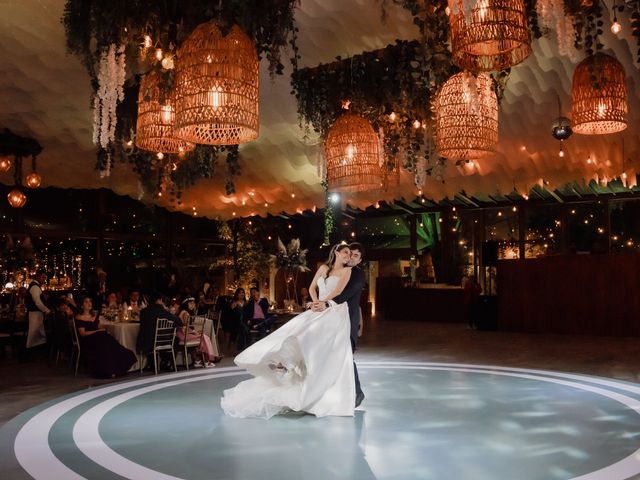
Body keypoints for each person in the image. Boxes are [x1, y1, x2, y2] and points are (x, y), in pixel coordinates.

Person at [221, 243, 355, 419]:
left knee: (316, 346)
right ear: (336, 252)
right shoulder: (323, 267)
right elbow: (313, 287)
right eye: (345, 252)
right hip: (318, 308)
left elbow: (338, 291)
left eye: (350, 253)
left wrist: (324, 303)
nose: (348, 255)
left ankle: (313, 388)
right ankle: (285, 364)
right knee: (295, 333)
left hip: (333, 311)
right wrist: (316, 302)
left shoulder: (347, 271)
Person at [312, 242, 366, 407]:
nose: (352, 257)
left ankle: (357, 393)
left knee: (347, 355)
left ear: (360, 259)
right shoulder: (338, 270)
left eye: (356, 255)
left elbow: (349, 295)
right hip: (330, 317)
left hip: (347, 319)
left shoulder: (357, 274)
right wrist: (317, 303)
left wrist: (325, 304)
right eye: (351, 253)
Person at [74, 297, 136, 378]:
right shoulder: (79, 317)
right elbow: (83, 333)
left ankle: (117, 366)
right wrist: (98, 332)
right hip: (88, 340)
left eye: (90, 301)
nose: (89, 303)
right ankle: (107, 370)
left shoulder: (94, 316)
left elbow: (99, 328)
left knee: (107, 338)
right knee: (103, 340)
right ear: (82, 305)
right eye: (86, 302)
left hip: (97, 338)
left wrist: (103, 331)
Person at [137, 292, 182, 370]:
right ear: (160, 300)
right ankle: (166, 362)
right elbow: (179, 321)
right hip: (158, 342)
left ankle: (152, 363)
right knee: (175, 340)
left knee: (153, 334)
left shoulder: (143, 312)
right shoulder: (162, 311)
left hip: (143, 342)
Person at [177, 297, 216, 368]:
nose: (193, 305)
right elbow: (185, 327)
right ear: (186, 304)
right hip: (183, 335)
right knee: (204, 337)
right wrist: (194, 332)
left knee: (202, 337)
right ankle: (206, 360)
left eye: (193, 303)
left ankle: (197, 360)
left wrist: (194, 332)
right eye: (190, 303)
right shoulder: (185, 313)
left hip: (183, 334)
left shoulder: (184, 312)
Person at [26, 270, 50, 351]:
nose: (44, 280)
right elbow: (38, 303)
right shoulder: (35, 287)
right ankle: (29, 353)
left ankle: (37, 351)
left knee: (38, 333)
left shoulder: (35, 286)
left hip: (36, 314)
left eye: (45, 278)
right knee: (33, 334)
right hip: (34, 314)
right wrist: (47, 310)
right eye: (43, 277)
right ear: (37, 277)